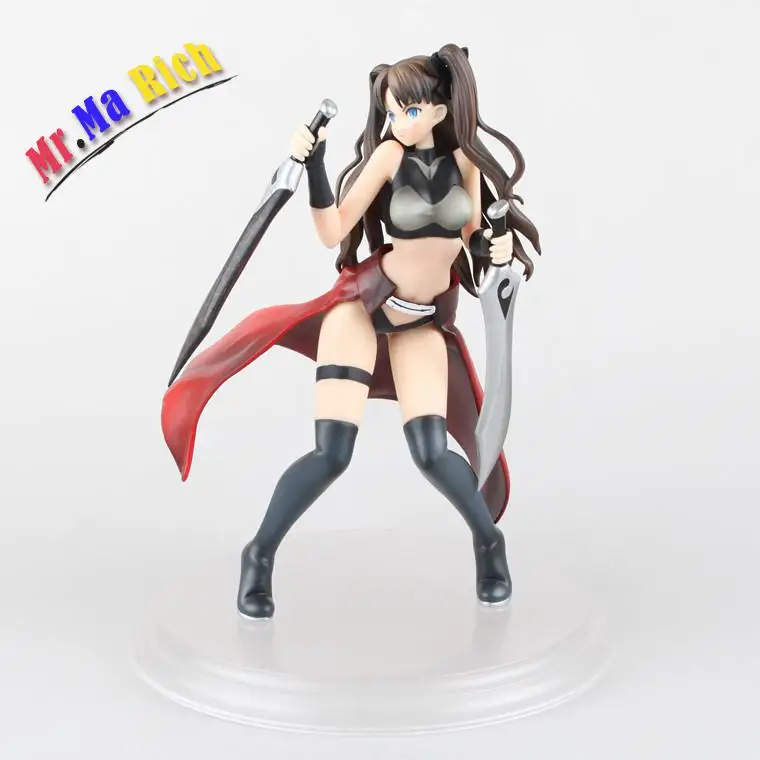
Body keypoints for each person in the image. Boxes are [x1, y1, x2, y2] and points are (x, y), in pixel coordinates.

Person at [161, 43, 541, 619]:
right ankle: (259, 555)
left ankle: (489, 544)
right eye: (390, 112)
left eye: (409, 111)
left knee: (432, 452)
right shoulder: (388, 156)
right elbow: (333, 229)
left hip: (422, 321)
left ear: (439, 109)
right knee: (332, 453)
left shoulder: (464, 164)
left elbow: (475, 242)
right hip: (363, 309)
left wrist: (499, 245)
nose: (397, 122)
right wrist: (316, 166)